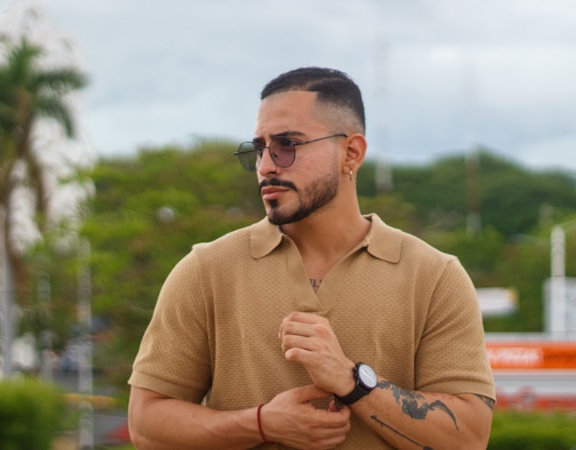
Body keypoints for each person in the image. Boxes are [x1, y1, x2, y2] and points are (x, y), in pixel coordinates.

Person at [127, 67, 495, 449]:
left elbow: (468, 439)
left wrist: (352, 381)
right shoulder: (206, 270)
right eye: (259, 149)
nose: (267, 165)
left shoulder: (434, 276)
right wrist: (262, 423)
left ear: (351, 153)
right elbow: (145, 426)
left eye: (287, 145)